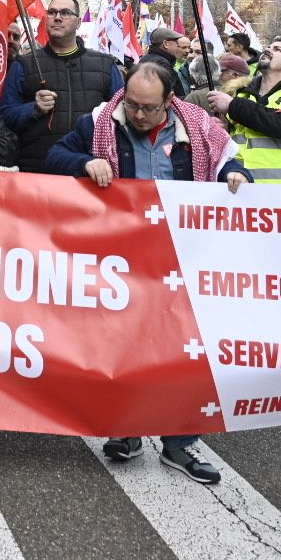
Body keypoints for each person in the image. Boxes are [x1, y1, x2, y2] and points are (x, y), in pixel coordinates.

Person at [47, 59, 250, 484]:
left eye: (148, 108)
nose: (137, 114)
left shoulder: (200, 129)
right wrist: (84, 163)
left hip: (185, 258)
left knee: (184, 354)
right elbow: (56, 155)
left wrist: (235, 175)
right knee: (128, 347)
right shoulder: (100, 121)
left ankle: (179, 443)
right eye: (133, 105)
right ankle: (128, 430)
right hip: (125, 259)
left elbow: (228, 164)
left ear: (170, 102)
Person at [0, 0, 124, 174]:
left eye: (65, 12)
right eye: (52, 12)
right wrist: (34, 109)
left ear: (78, 22)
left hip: (90, 174)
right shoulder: (24, 65)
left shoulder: (105, 65)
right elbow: (5, 117)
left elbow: (121, 116)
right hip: (37, 173)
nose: (57, 18)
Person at [206, 38, 281, 185]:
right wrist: (223, 129)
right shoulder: (239, 94)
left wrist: (233, 106)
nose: (268, 49)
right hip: (242, 191)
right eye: (269, 46)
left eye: (277, 49)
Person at [144, 28, 189, 96]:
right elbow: (167, 96)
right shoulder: (162, 64)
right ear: (166, 44)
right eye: (176, 43)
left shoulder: (147, 58)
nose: (177, 46)